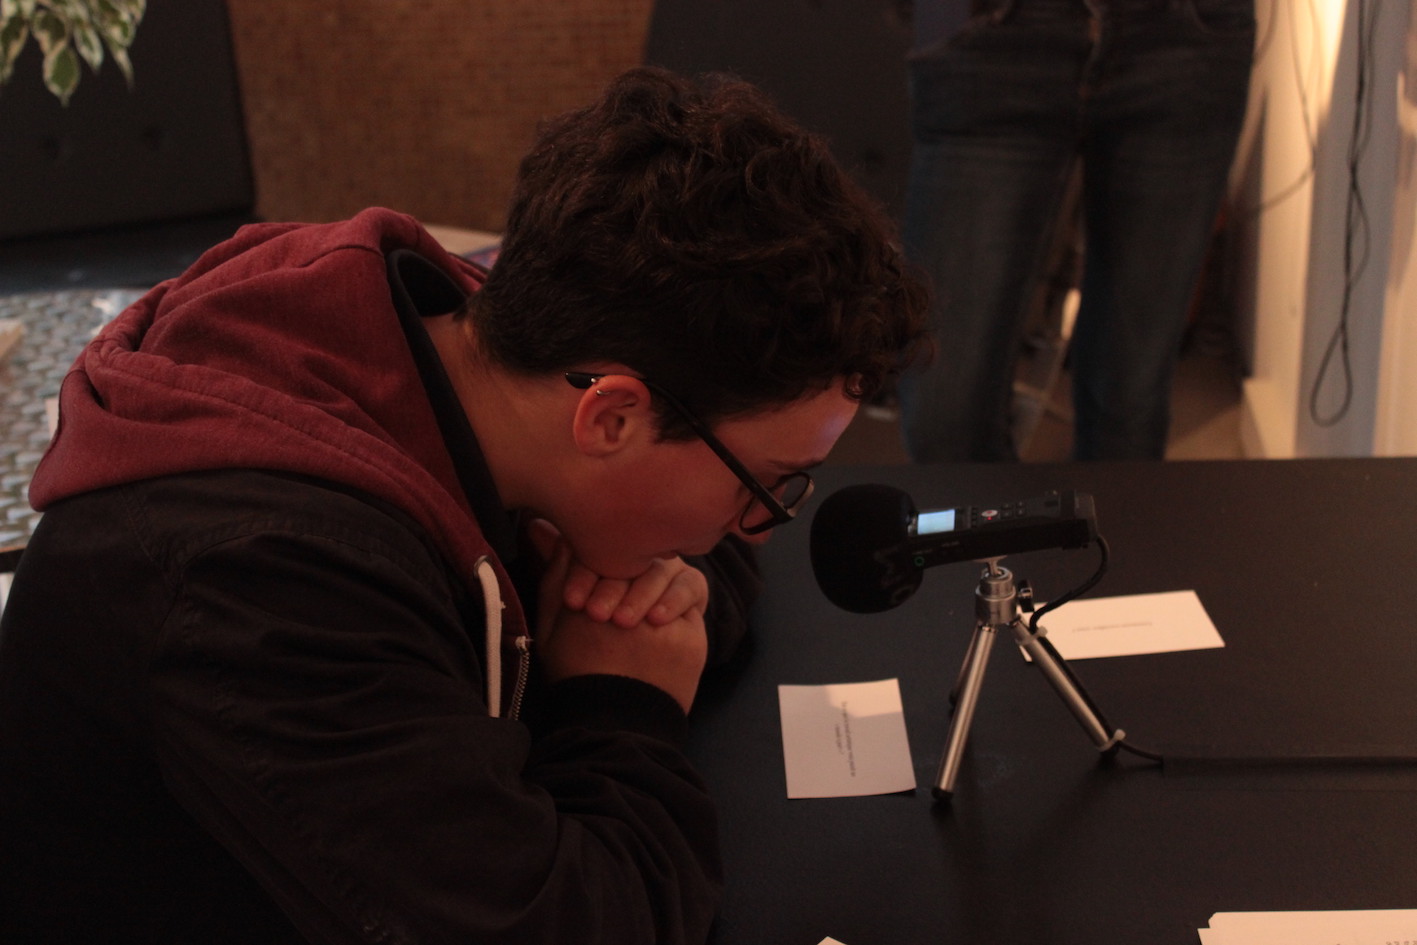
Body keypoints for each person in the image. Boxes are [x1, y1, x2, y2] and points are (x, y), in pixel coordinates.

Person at [0, 67, 929, 943]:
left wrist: (644, 605)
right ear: (610, 417)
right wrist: (624, 701)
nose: (760, 526)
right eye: (763, 484)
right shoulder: (265, 582)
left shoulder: (490, 343)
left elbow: (700, 565)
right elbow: (570, 925)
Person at [896, 0, 1255, 461]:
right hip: (991, 35)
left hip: (1186, 34)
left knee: (1127, 408)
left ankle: (1106, 513)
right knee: (943, 414)